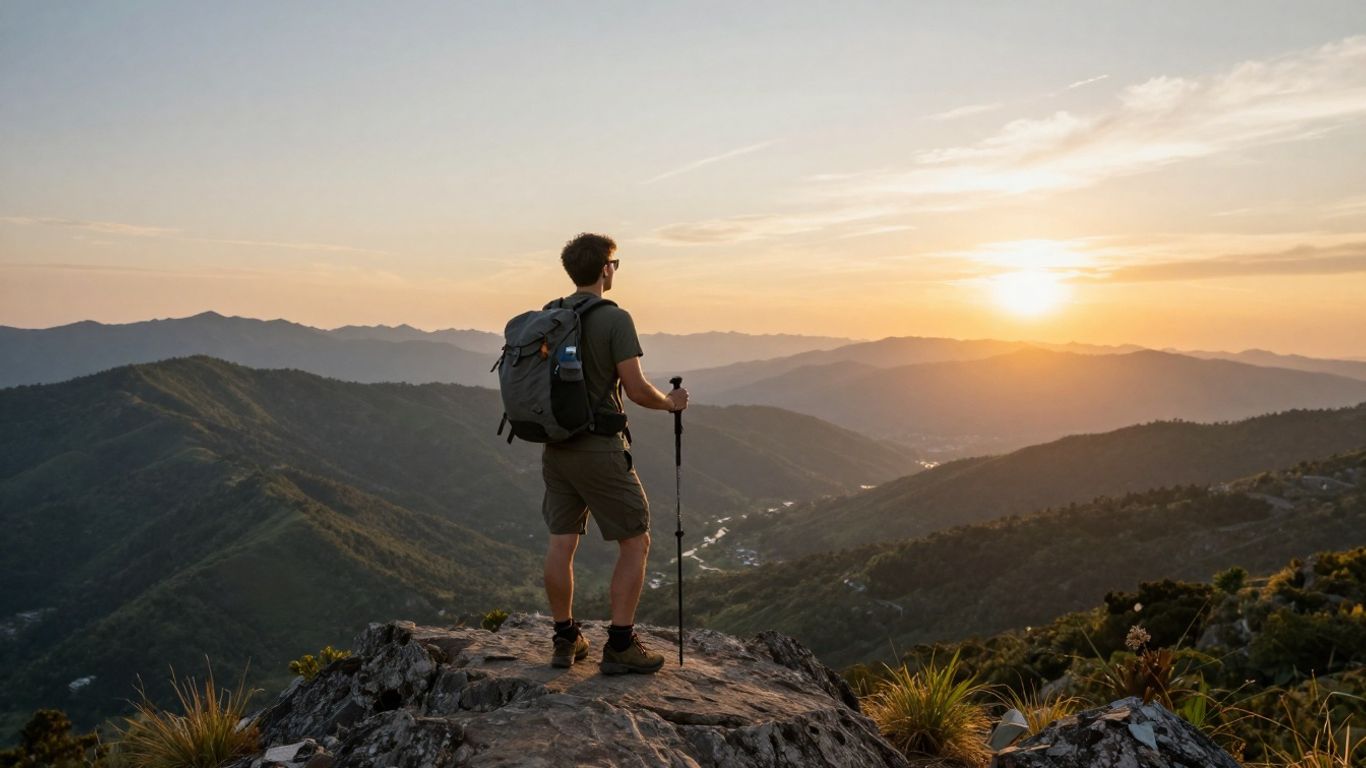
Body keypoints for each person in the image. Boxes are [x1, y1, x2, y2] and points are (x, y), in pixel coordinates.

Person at [542, 232, 689, 674]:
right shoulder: (614, 318)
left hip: (556, 446)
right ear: (606, 269)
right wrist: (670, 403)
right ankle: (621, 645)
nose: (615, 270)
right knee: (635, 541)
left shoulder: (550, 314)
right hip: (599, 448)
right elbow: (637, 389)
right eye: (615, 263)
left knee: (562, 542)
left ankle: (565, 639)